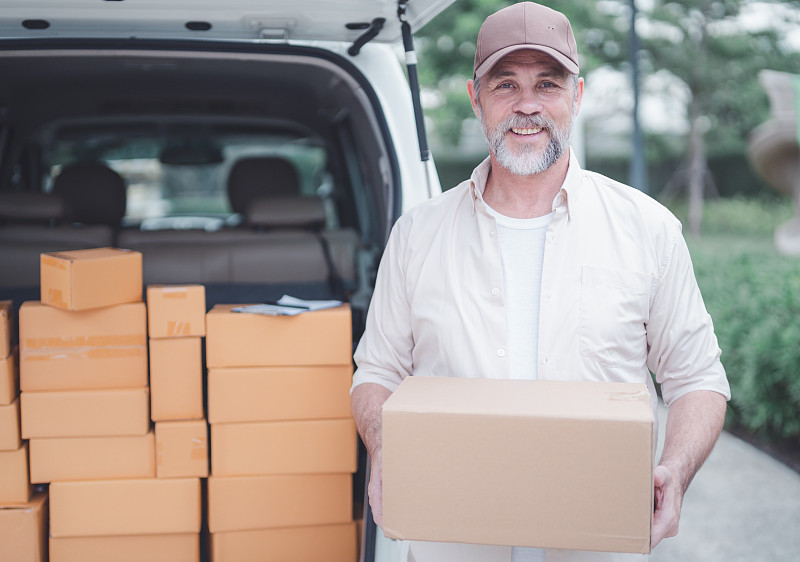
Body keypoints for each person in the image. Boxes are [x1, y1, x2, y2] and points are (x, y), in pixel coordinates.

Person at [350, 3, 731, 561]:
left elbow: (697, 377)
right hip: (450, 540)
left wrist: (675, 470)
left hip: (599, 542)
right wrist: (384, 446)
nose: (527, 105)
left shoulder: (648, 229)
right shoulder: (416, 235)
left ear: (576, 96)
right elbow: (378, 373)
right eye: (505, 84)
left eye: (547, 83)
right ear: (476, 98)